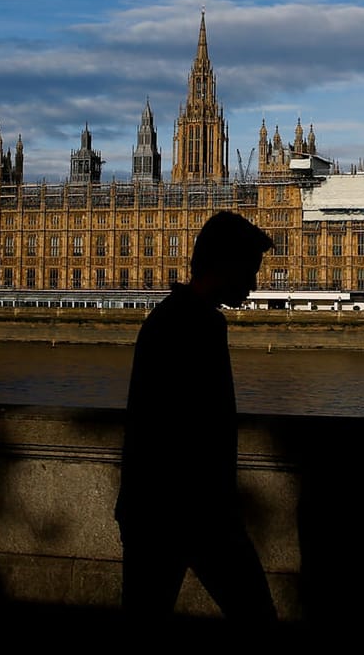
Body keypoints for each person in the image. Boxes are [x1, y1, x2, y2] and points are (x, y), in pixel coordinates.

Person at [115, 209, 278, 626]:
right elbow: (190, 430)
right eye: (249, 270)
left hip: (161, 511)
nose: (254, 284)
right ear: (224, 265)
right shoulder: (193, 326)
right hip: (184, 512)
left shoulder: (173, 316)